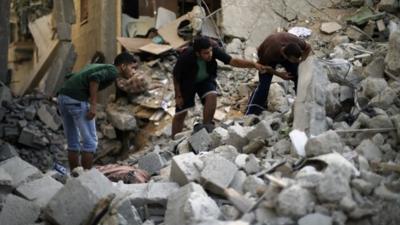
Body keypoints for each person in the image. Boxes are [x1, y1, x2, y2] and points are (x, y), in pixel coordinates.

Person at [172, 37, 266, 138]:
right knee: (181, 112)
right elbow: (176, 75)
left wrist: (253, 64)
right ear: (197, 53)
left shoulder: (214, 51)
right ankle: (174, 140)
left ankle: (206, 128)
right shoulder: (186, 56)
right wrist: (178, 96)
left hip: (205, 80)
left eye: (210, 51)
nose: (210, 55)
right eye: (206, 53)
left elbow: (233, 61)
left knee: (212, 96)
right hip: (187, 83)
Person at [57, 52, 136, 171]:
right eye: (132, 67)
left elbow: (71, 76)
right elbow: (94, 78)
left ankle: (74, 177)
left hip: (63, 97)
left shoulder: (97, 66)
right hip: (76, 100)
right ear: (123, 66)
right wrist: (93, 105)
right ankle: (86, 179)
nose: (133, 71)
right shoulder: (113, 71)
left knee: (73, 142)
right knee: (90, 142)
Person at [245, 32, 311, 115]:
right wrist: (280, 75)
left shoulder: (298, 43)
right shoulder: (270, 52)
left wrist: (301, 62)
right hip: (265, 58)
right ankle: (251, 114)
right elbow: (263, 67)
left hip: (285, 47)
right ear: (286, 57)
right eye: (294, 60)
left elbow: (308, 47)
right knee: (263, 87)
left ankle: (302, 102)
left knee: (298, 75)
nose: (296, 61)